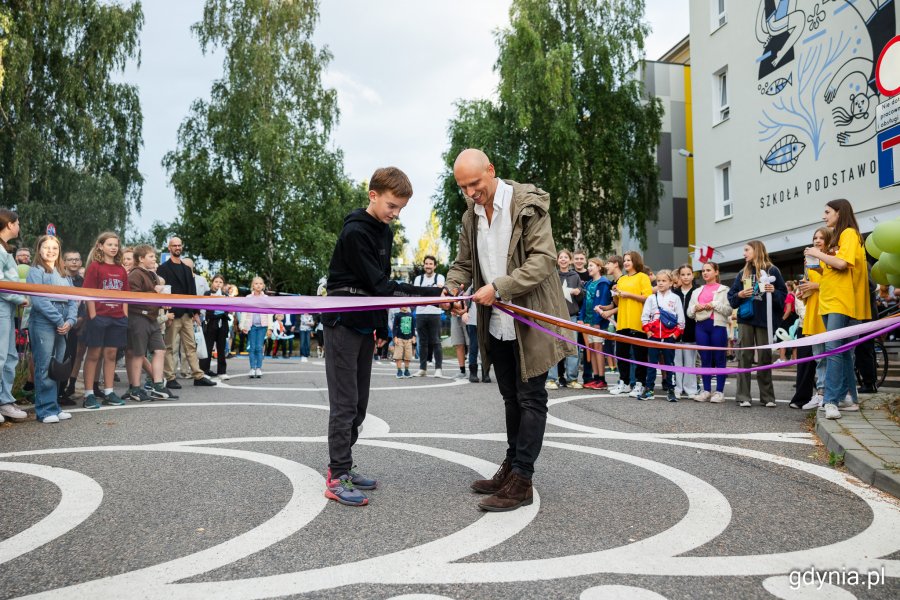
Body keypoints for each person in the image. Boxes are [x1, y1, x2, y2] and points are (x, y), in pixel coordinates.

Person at [444, 149, 570, 512]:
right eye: (463, 187)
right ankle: (512, 465)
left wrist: (499, 287)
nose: (471, 193)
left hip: (530, 316)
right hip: (495, 320)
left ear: (491, 171)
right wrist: (453, 289)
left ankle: (523, 479)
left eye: (476, 184)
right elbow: (463, 263)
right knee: (511, 398)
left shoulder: (527, 204)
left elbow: (544, 260)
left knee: (531, 398)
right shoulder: (470, 216)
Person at [322, 166, 443, 507]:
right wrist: (434, 293)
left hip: (364, 323)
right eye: (392, 205)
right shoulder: (356, 232)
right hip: (342, 322)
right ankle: (336, 474)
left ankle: (343, 465)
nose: (395, 213)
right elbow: (380, 286)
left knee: (359, 405)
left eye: (401, 208)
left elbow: (379, 292)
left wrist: (380, 329)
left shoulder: (384, 232)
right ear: (372, 195)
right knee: (344, 405)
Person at [803, 199, 871, 419]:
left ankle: (831, 400)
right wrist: (816, 263)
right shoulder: (836, 240)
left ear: (839, 213)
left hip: (840, 301)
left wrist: (817, 253)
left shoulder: (849, 233)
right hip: (829, 300)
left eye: (827, 212)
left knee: (833, 350)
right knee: (841, 352)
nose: (824, 216)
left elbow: (842, 264)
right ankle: (849, 397)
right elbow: (833, 270)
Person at [727, 240, 788, 408]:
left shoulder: (772, 270)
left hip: (765, 320)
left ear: (757, 250)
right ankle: (743, 396)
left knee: (764, 358)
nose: (744, 253)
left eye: (747, 250)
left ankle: (767, 397)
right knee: (744, 357)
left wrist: (774, 291)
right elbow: (731, 298)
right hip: (746, 319)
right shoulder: (742, 272)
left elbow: (784, 295)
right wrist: (739, 294)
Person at [25, 235, 76, 423]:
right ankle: (45, 410)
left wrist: (69, 321)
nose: (50, 251)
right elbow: (39, 301)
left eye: (54, 247)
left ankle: (54, 405)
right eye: (46, 247)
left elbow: (73, 299)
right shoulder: (35, 271)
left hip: (63, 322)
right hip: (44, 321)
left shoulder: (64, 273)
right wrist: (58, 320)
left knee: (57, 367)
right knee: (45, 365)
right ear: (39, 249)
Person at [157, 238, 216, 389]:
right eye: (174, 245)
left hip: (187, 315)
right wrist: (166, 313)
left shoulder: (186, 269)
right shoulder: (163, 269)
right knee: (170, 347)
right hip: (172, 314)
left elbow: (192, 293)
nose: (177, 247)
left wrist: (195, 313)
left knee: (191, 346)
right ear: (169, 248)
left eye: (179, 245)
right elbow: (163, 293)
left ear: (182, 247)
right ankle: (169, 378)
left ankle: (198, 376)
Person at [81, 231, 130, 409]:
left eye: (116, 245)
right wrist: (93, 316)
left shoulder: (120, 269)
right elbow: (88, 293)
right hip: (99, 317)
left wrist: (124, 315)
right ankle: (88, 395)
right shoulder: (95, 266)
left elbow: (126, 295)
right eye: (110, 244)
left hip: (117, 318)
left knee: (111, 355)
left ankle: (109, 391)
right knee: (94, 354)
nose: (113, 248)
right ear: (100, 246)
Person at [791, 228, 831, 410]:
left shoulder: (832, 258)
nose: (817, 241)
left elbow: (837, 283)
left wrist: (815, 285)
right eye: (815, 238)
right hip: (813, 310)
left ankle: (829, 394)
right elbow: (809, 287)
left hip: (828, 309)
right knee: (818, 356)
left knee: (830, 356)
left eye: (821, 238)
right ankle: (821, 393)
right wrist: (802, 293)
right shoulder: (809, 261)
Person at [124, 245, 171, 402]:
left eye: (154, 257)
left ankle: (157, 386)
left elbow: (155, 297)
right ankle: (135, 389)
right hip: (138, 317)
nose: (154, 259)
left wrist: (163, 303)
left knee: (160, 350)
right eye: (151, 256)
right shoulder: (135, 275)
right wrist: (155, 293)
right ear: (141, 259)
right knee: (138, 353)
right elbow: (133, 296)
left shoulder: (154, 275)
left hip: (152, 318)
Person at [606, 251, 653, 398]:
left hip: (638, 322)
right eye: (625, 260)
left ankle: (640, 383)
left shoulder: (643, 277)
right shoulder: (621, 280)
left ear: (635, 261)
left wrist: (628, 294)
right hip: (622, 322)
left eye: (629, 260)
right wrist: (616, 294)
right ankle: (624, 382)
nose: (626, 263)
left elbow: (648, 298)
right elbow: (619, 303)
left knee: (640, 355)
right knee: (621, 354)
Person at [687, 262, 732, 403]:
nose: (705, 273)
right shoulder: (696, 291)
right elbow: (689, 313)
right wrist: (695, 308)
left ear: (716, 272)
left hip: (717, 326)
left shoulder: (724, 290)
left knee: (719, 359)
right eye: (703, 271)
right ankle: (706, 391)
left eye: (708, 270)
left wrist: (715, 304)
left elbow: (729, 311)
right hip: (701, 327)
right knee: (704, 359)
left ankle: (719, 392)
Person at [0, 211, 28, 424]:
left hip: (8, 309)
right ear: (9, 225)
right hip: (2, 308)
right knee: (1, 356)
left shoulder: (5, 250)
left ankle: (5, 400)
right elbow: (2, 284)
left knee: (10, 355)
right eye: (17, 223)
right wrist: (21, 299)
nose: (19, 226)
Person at [641, 269, 685, 402]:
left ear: (671, 282)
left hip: (668, 338)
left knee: (669, 364)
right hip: (654, 337)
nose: (660, 283)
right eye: (658, 280)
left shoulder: (675, 298)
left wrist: (675, 335)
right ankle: (649, 389)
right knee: (651, 364)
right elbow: (644, 317)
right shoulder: (651, 298)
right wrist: (648, 331)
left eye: (664, 281)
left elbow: (681, 320)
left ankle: (671, 390)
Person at [546, 249, 583, 390]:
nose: (563, 260)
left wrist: (579, 292)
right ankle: (551, 379)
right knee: (554, 348)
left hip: (571, 317)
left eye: (566, 257)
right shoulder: (552, 275)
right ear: (557, 260)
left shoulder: (575, 276)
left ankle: (572, 379)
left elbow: (581, 298)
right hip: (554, 317)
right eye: (560, 257)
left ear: (570, 260)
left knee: (573, 349)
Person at [577, 257, 612, 390]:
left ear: (599, 267)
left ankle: (602, 379)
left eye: (591, 265)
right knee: (591, 349)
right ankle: (595, 377)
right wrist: (581, 317)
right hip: (587, 322)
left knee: (598, 349)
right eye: (589, 266)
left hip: (597, 323)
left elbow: (602, 303)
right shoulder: (589, 283)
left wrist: (598, 322)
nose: (589, 268)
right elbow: (585, 303)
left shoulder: (603, 283)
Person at [412, 255, 445, 378]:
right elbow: (416, 294)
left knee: (436, 341)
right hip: (420, 313)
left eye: (431, 264)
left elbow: (440, 292)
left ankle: (438, 369)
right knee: (423, 343)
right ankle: (422, 368)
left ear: (435, 266)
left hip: (435, 313)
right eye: (426, 263)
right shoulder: (418, 279)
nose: (428, 266)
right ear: (424, 265)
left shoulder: (440, 277)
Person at [59, 250, 85, 406]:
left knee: (71, 358)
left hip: (77, 325)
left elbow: (87, 301)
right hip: (61, 323)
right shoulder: (60, 278)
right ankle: (56, 392)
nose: (74, 262)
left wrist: (81, 318)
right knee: (60, 357)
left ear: (81, 263)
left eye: (77, 259)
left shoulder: (83, 281)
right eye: (70, 259)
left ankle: (63, 390)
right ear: (64, 262)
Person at [673, 265, 700, 399]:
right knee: (677, 362)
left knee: (690, 362)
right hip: (676, 333)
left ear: (692, 275)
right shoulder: (674, 293)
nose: (685, 277)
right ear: (679, 276)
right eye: (683, 274)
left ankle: (691, 388)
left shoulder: (697, 291)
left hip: (691, 332)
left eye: (688, 274)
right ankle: (677, 388)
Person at [239, 277, 272, 378]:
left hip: (262, 326)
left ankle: (258, 368)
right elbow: (244, 312)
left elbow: (270, 313)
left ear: (263, 286)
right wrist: (242, 326)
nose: (258, 285)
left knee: (259, 347)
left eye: (260, 283)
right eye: (256, 283)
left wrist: (270, 328)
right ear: (252, 285)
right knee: (252, 348)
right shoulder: (248, 298)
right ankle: (252, 368)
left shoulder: (266, 298)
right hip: (251, 326)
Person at [201, 274, 230, 379]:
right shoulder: (207, 294)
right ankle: (205, 371)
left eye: (220, 282)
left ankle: (222, 372)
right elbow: (204, 310)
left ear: (223, 284)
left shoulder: (226, 295)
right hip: (210, 323)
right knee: (208, 348)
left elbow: (228, 311)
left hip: (222, 323)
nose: (218, 284)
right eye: (216, 281)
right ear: (212, 282)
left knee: (221, 348)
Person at [392, 306, 415, 378]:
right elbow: (394, 327)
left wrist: (414, 336)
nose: (405, 306)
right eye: (403, 305)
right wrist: (395, 337)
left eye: (406, 305)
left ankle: (406, 370)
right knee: (398, 355)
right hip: (399, 338)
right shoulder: (397, 315)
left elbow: (413, 327)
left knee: (408, 355)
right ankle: (399, 371)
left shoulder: (411, 315)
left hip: (409, 339)